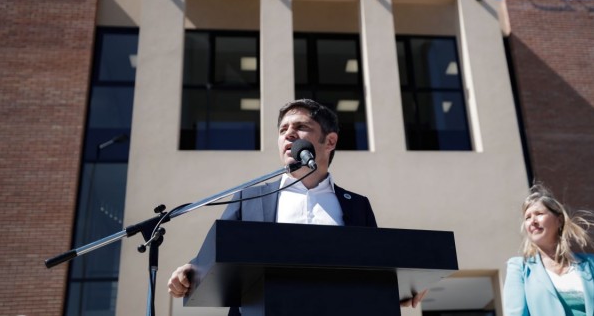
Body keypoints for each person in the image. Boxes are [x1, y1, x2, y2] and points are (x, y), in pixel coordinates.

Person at [167, 98, 426, 309]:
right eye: (282, 130)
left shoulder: (358, 206)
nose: (289, 134)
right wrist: (191, 271)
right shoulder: (249, 199)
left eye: (301, 127)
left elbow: (374, 269)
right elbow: (217, 254)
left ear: (330, 141)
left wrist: (402, 288)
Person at [503, 184, 594, 316]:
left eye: (539, 214)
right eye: (527, 217)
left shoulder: (591, 263)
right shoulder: (519, 268)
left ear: (559, 220)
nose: (532, 221)